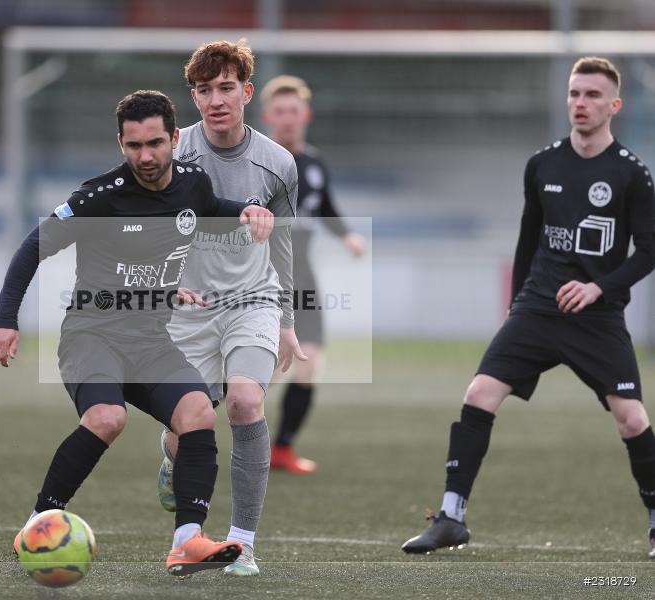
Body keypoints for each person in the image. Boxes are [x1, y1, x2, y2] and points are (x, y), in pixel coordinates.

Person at [0, 90, 275, 576]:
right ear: (120, 142)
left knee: (199, 410)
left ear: (174, 138)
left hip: (151, 342)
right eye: (134, 145)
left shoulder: (192, 184)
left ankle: (187, 541)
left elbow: (213, 205)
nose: (145, 156)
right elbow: (34, 245)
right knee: (107, 418)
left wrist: (248, 208)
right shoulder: (100, 197)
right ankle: (37, 523)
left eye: (156, 143)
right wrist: (4, 320)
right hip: (92, 336)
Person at [401, 57, 655, 558]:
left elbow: (649, 250)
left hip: (597, 317)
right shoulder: (543, 164)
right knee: (479, 393)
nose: (581, 103)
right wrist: (517, 302)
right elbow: (528, 237)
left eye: (592, 96)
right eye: (574, 94)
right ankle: (451, 516)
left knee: (631, 418)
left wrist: (599, 288)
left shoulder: (632, 175)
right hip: (537, 310)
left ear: (614, 106)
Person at [151, 40, 302, 576]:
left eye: (226, 88)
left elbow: (282, 245)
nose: (215, 99)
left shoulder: (278, 163)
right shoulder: (170, 152)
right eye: (203, 90)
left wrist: (286, 322)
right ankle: (171, 458)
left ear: (246, 92)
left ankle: (243, 543)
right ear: (192, 96)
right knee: (186, 425)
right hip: (188, 308)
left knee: (243, 403)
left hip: (252, 301)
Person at [260, 74, 366, 474]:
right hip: (265, 276)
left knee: (309, 363)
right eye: (280, 112)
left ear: (306, 114)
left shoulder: (315, 163)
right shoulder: (259, 159)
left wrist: (348, 236)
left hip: (303, 276)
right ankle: (194, 432)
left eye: (294, 111)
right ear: (269, 116)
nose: (288, 119)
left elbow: (325, 208)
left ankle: (282, 448)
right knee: (264, 370)